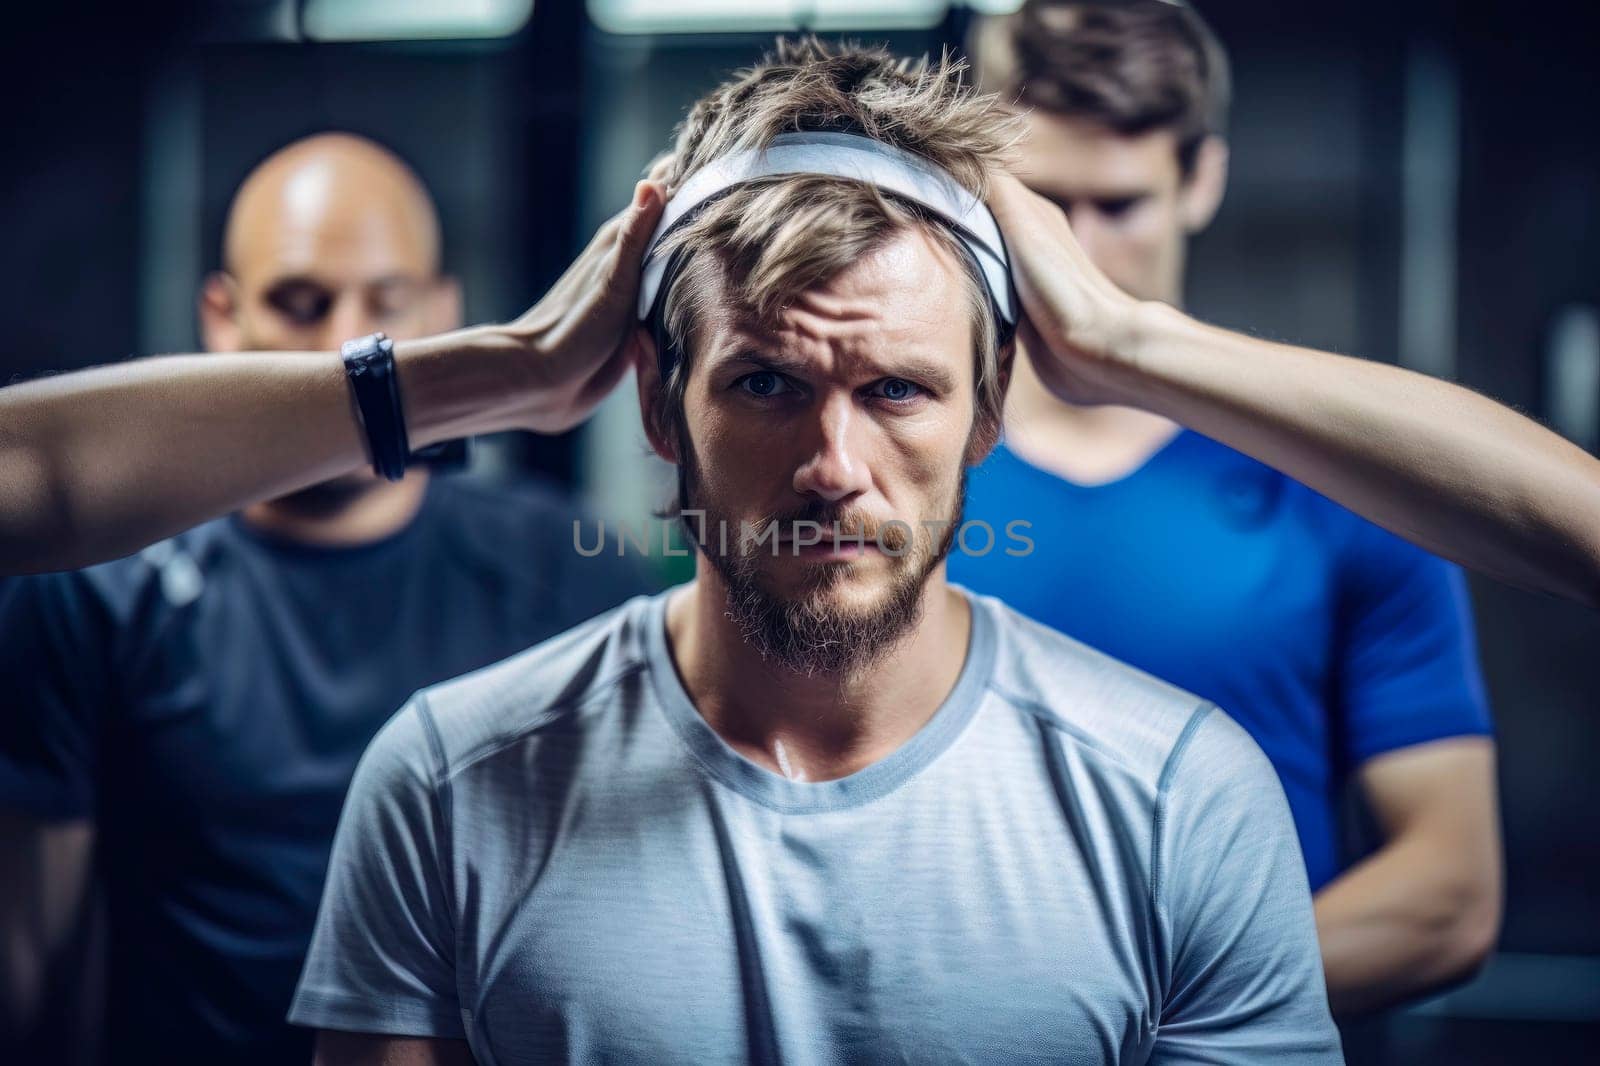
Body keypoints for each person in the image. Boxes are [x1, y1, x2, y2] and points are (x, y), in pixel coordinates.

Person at [287, 39, 1343, 1065]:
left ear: (987, 406)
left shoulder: (1179, 799)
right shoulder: (446, 786)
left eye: (896, 389)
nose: (832, 465)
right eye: (765, 385)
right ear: (660, 404)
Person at [0, 133, 651, 1064]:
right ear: (221, 319)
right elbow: (29, 987)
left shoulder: (572, 571)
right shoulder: (94, 590)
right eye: (299, 303)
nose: (349, 339)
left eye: (386, 306)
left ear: (444, 310)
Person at [953, 0, 1500, 1016]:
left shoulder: (1342, 478)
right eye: (1041, 203)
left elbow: (1448, 892)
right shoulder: (882, 470)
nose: (1073, 255)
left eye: (1118, 206)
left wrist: (1128, 1015)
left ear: (1199, 179)